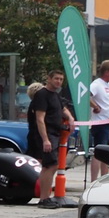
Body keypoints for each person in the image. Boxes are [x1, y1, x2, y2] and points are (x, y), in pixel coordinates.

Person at [27, 68, 69, 208]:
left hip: (55, 134)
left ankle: (45, 197)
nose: (58, 81)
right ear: (49, 79)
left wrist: (70, 118)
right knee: (51, 165)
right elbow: (40, 119)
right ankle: (44, 198)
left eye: (61, 79)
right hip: (47, 134)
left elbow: (62, 109)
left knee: (49, 166)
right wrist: (45, 139)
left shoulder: (55, 95)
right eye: (56, 78)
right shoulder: (42, 95)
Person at [88, 60, 109, 177]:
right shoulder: (97, 84)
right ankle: (94, 180)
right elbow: (87, 95)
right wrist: (95, 106)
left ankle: (104, 177)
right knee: (99, 152)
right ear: (107, 72)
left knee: (108, 153)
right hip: (101, 123)